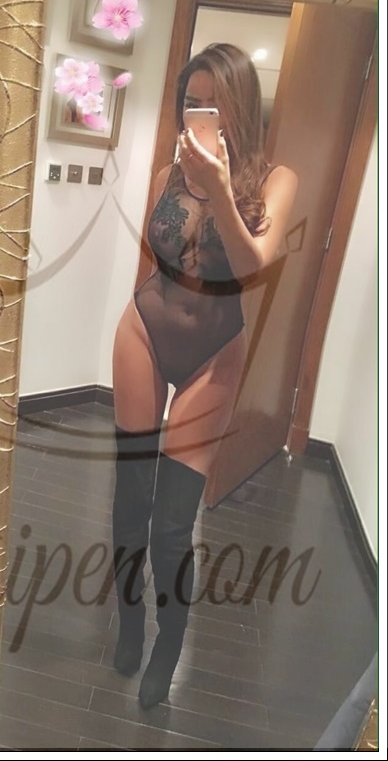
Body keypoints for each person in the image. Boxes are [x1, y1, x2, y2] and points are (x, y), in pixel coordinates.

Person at [110, 43, 298, 709]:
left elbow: (253, 269)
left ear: (241, 106)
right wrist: (193, 182)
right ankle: (129, 621)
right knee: (129, 503)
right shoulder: (168, 170)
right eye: (191, 102)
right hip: (145, 331)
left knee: (171, 525)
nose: (201, 115)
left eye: (214, 104)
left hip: (215, 350)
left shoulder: (277, 181)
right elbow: (159, 258)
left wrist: (219, 188)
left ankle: (170, 640)